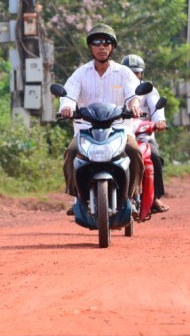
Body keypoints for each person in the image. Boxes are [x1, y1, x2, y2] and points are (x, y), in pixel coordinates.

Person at [58, 24, 144, 209]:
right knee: (71, 152)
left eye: (106, 42)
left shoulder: (124, 72)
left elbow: (133, 95)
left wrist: (134, 106)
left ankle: (132, 195)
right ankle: (77, 197)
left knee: (135, 152)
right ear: (90, 47)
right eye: (96, 43)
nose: (101, 47)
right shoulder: (80, 73)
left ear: (112, 47)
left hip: (119, 129)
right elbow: (69, 94)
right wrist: (67, 107)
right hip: (86, 130)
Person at [121, 54, 169, 214]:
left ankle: (154, 197)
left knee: (154, 156)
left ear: (142, 74)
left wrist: (159, 121)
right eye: (129, 72)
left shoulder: (149, 90)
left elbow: (156, 108)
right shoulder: (117, 88)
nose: (133, 76)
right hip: (121, 133)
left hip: (144, 135)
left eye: (137, 73)